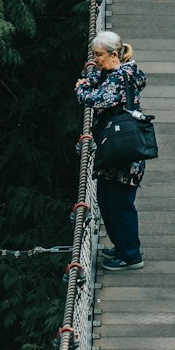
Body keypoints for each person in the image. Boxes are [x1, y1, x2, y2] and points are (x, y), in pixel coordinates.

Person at [75, 30, 147, 271]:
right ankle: (122, 246)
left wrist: (81, 89)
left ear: (114, 55)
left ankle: (131, 255)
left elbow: (96, 100)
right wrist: (93, 79)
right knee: (108, 202)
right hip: (119, 149)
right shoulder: (124, 72)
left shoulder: (118, 78)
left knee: (120, 205)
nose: (95, 60)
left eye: (99, 55)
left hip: (122, 155)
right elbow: (105, 82)